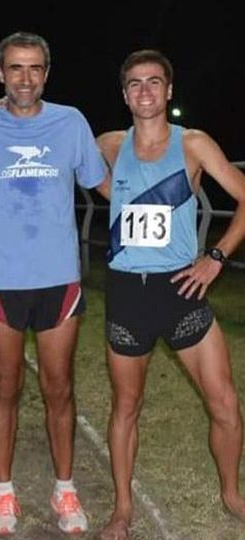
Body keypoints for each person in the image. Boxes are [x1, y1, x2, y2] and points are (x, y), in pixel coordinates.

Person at [0, 31, 109, 535]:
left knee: (59, 388)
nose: (25, 78)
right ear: (0, 73)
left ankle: (64, 489)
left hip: (59, 278)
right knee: (4, 387)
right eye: (15, 68)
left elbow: (100, 180)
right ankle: (3, 493)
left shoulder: (71, 122)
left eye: (35, 68)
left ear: (46, 73)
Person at [96, 49, 245, 540]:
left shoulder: (195, 144)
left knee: (224, 404)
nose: (144, 91)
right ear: (124, 93)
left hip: (182, 291)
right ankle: (122, 510)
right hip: (127, 296)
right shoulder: (110, 145)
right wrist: (1, 112)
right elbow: (49, 141)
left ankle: (231, 494)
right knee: (125, 408)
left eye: (154, 82)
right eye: (135, 83)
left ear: (169, 90)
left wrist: (217, 257)